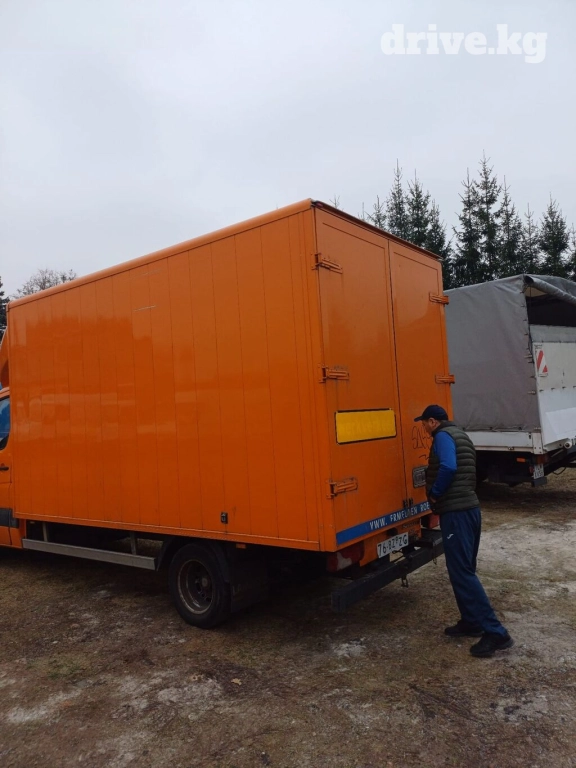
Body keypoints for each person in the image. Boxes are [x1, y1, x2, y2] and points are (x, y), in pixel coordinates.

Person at [414, 404, 514, 658]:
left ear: (433, 422)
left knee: (462, 572)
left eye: (424, 423)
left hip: (456, 512)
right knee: (464, 568)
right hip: (470, 509)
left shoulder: (442, 437)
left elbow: (448, 467)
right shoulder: (461, 435)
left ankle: (496, 633)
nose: (424, 428)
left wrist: (435, 494)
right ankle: (471, 621)